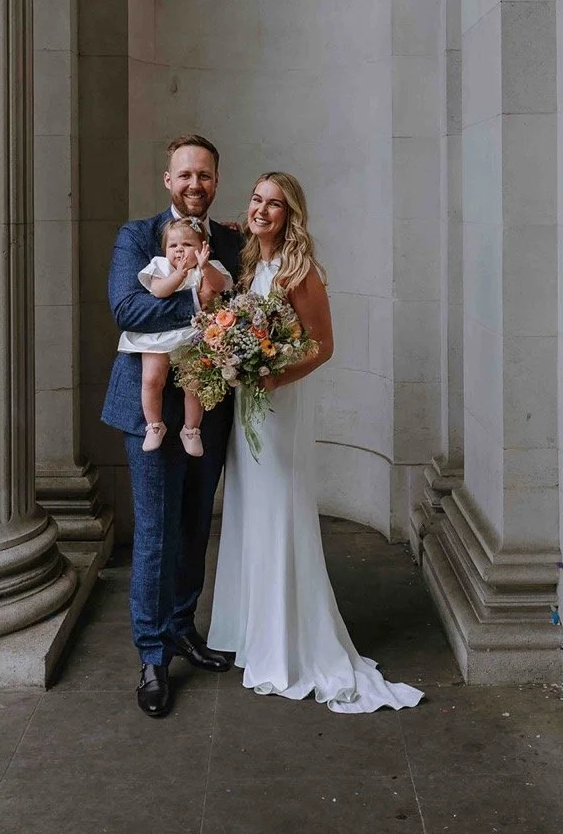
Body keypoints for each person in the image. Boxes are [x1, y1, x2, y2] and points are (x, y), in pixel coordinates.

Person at [208, 172, 423, 714]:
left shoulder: (301, 273)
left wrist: (269, 376)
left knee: (279, 509)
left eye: (274, 204)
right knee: (251, 511)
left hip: (278, 405)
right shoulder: (251, 262)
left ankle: (288, 642)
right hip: (246, 408)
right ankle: (252, 632)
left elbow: (322, 347)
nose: (261, 210)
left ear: (291, 214)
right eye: (257, 199)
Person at [101, 135, 243, 717]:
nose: (194, 184)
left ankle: (183, 627)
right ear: (168, 180)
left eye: (204, 176)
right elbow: (128, 310)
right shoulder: (138, 236)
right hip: (149, 410)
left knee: (193, 527)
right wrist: (204, 306)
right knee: (157, 531)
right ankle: (153, 655)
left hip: (206, 407)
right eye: (185, 175)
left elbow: (250, 307)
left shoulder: (231, 240)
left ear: (215, 181)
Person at [117, 216, 233, 458]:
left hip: (191, 335)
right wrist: (178, 276)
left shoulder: (209, 267)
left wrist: (205, 266)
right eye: (173, 245)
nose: (179, 250)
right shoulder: (161, 266)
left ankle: (191, 430)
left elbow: (220, 286)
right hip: (158, 335)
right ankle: (154, 425)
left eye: (188, 245)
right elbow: (159, 291)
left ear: (203, 248)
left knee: (194, 384)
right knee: (151, 378)